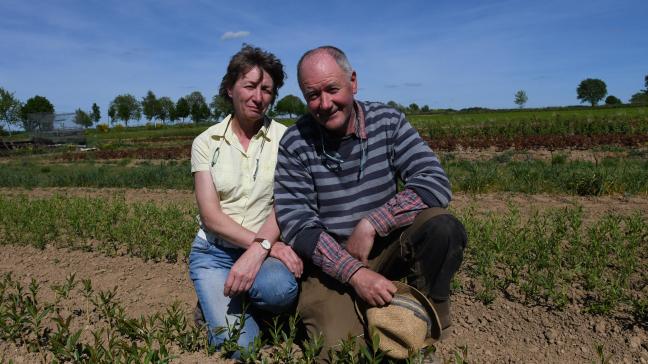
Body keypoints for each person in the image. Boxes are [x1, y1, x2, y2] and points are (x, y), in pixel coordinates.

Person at [274, 46, 467, 356]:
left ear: (353, 81)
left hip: (387, 247)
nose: (325, 103)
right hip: (328, 265)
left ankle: (428, 317)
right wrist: (355, 273)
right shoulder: (296, 141)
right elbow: (298, 225)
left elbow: (434, 181)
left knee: (441, 226)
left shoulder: (387, 121)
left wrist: (373, 223)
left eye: (332, 89)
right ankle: (360, 311)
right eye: (312, 95)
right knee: (340, 351)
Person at [189, 44, 302, 354]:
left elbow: (288, 201)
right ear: (230, 88)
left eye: (267, 89)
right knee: (243, 350)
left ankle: (245, 303)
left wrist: (262, 249)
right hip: (214, 252)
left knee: (278, 290)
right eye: (250, 85)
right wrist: (265, 243)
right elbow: (211, 217)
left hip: (264, 253)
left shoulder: (286, 138)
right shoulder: (205, 142)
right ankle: (219, 302)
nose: (258, 96)